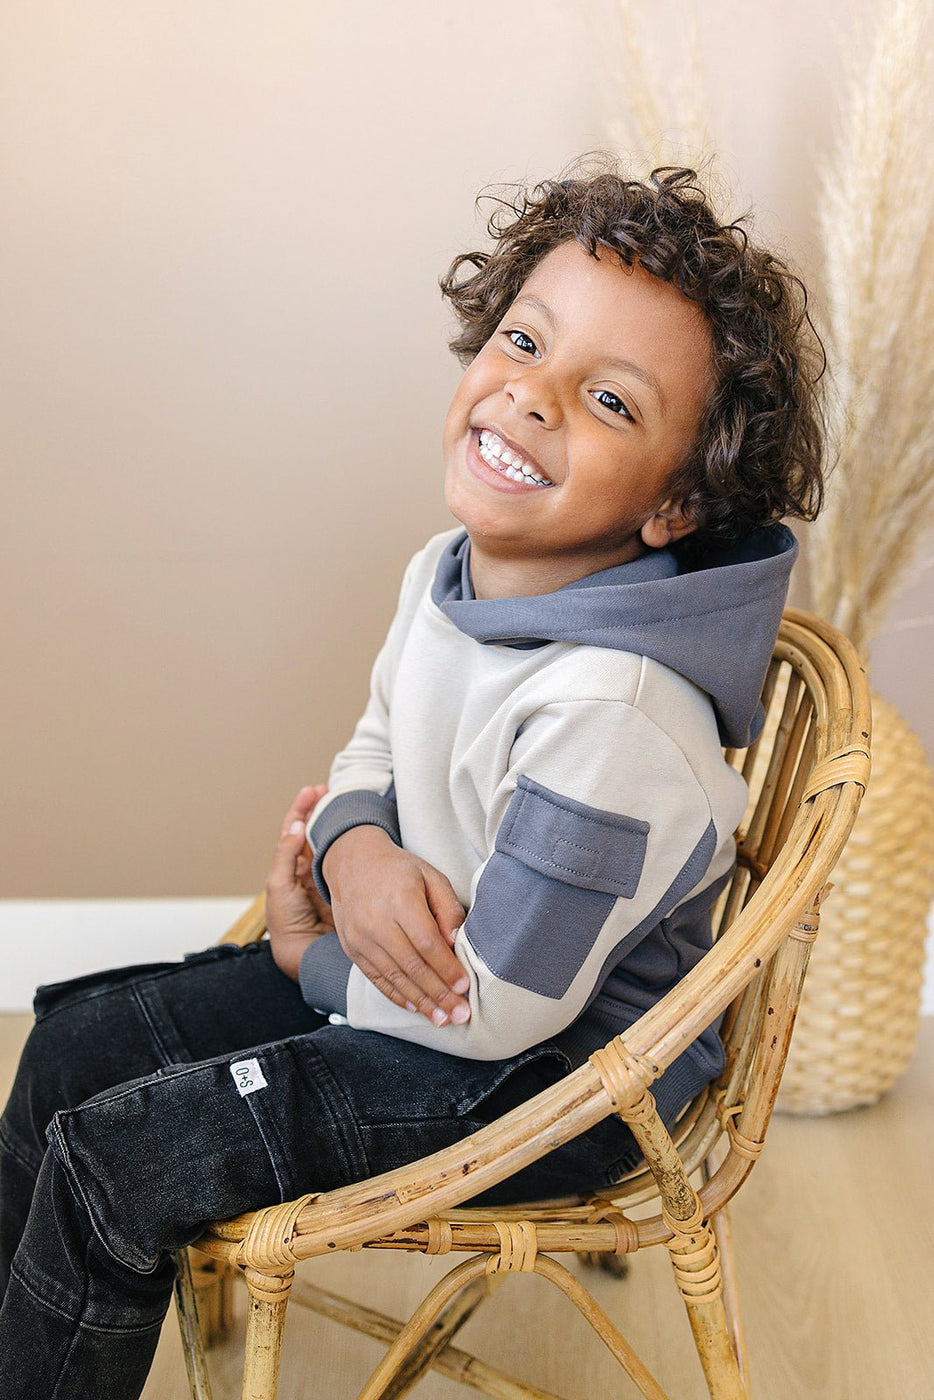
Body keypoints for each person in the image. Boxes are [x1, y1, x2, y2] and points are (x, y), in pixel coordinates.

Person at [0, 163, 824, 1396]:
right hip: (418, 990)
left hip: (551, 1079)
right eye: (521, 340)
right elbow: (373, 749)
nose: (529, 396)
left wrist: (305, 961)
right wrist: (355, 850)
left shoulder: (616, 719)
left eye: (605, 398)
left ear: (675, 500)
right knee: (71, 1046)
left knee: (135, 1159)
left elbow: (500, 1009)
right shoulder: (451, 571)